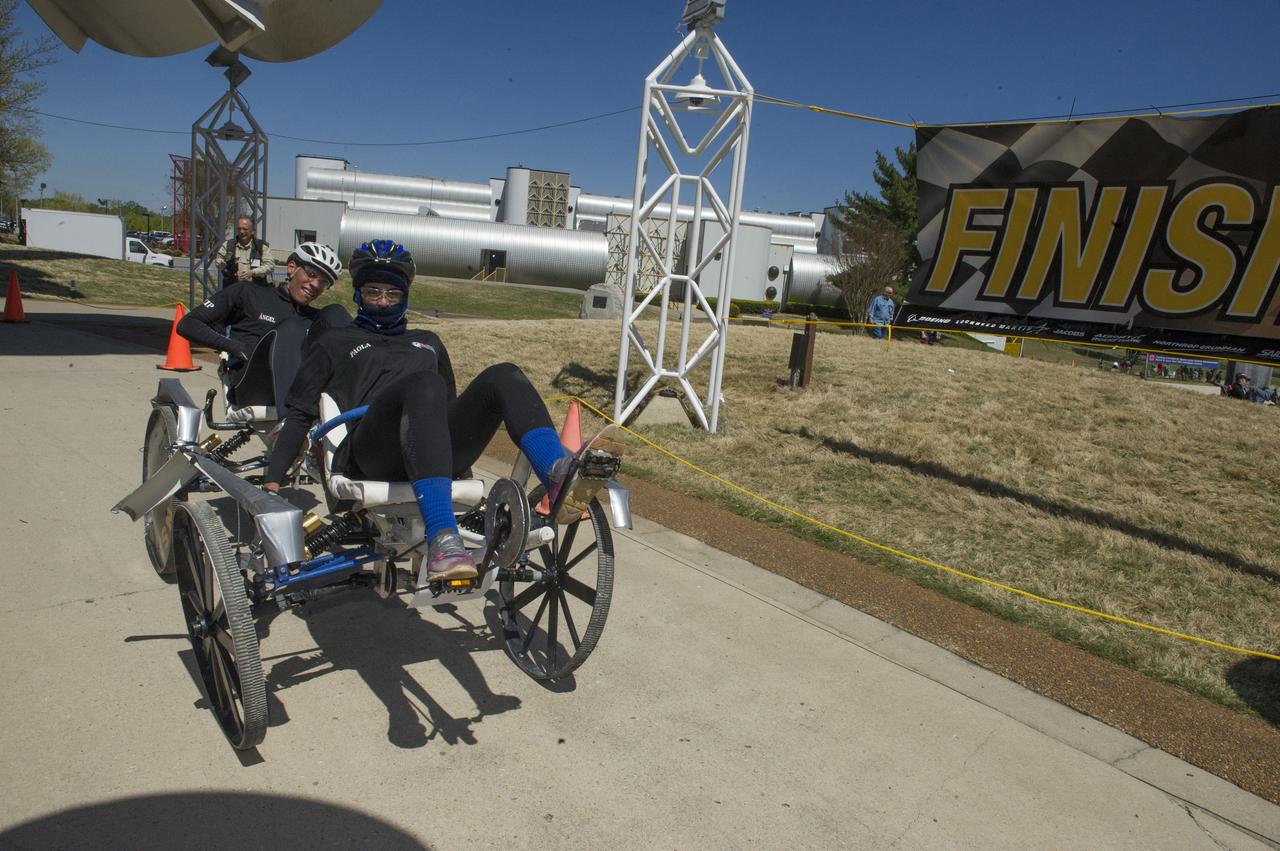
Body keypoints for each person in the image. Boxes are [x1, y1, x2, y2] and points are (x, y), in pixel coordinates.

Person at [261, 240, 591, 584]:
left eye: (393, 293)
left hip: (427, 449)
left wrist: (461, 475)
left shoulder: (428, 341)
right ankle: (443, 540)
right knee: (424, 384)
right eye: (373, 292)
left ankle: (558, 475)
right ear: (358, 294)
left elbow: (446, 414)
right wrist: (272, 482)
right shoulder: (334, 341)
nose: (383, 301)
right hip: (373, 452)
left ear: (405, 296)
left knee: (504, 374)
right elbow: (299, 413)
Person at [178, 242, 348, 408]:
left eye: (323, 282)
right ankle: (289, 423)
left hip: (302, 388)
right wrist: (236, 347)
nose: (315, 285)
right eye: (311, 274)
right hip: (253, 384)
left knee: (336, 313)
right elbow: (188, 324)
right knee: (292, 327)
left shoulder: (316, 318)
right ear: (291, 267)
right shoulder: (248, 293)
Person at [213, 216, 274, 289]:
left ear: (253, 231)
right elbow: (218, 260)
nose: (242, 232)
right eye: (239, 229)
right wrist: (222, 264)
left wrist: (253, 272)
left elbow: (270, 266)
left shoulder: (261, 246)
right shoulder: (228, 245)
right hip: (233, 289)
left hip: (255, 290)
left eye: (245, 229)